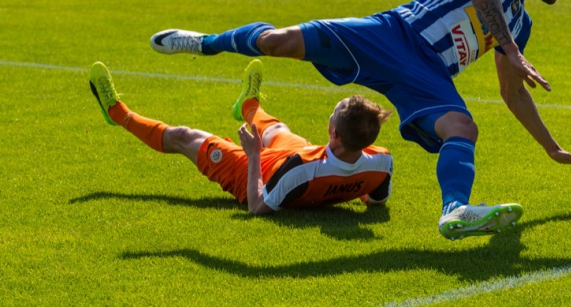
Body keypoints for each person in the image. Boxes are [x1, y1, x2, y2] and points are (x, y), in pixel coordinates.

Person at [149, 0, 571, 240]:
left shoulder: (520, 23)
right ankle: (206, 43)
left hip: (428, 75)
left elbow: (512, 91)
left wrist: (550, 147)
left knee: (462, 128)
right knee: (278, 40)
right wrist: (513, 52)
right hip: (394, 35)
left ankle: (454, 211)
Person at [88, 59, 394, 214]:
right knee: (278, 130)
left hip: (262, 171)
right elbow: (374, 200)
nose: (331, 112)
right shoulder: (381, 161)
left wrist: (253, 155)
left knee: (185, 136)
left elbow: (257, 206)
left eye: (334, 111)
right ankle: (248, 104)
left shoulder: (303, 167)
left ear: (335, 135)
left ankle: (117, 113)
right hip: (309, 158)